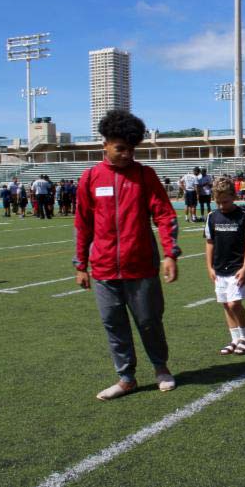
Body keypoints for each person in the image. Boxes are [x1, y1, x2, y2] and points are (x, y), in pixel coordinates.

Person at [74, 109, 182, 401]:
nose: (126, 154)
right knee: (114, 324)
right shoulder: (90, 178)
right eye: (120, 148)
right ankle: (126, 378)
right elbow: (82, 223)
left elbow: (164, 214)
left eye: (131, 149)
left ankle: (161, 368)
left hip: (142, 267)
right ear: (105, 145)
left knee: (149, 321)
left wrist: (170, 254)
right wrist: (80, 264)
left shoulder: (145, 175)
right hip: (104, 269)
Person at [205, 177, 245, 356]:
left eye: (225, 201)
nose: (222, 205)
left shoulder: (243, 216)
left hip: (237, 268)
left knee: (234, 304)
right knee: (226, 304)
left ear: (234, 196)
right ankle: (235, 339)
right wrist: (209, 267)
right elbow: (210, 243)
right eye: (218, 202)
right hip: (219, 268)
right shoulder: (212, 216)